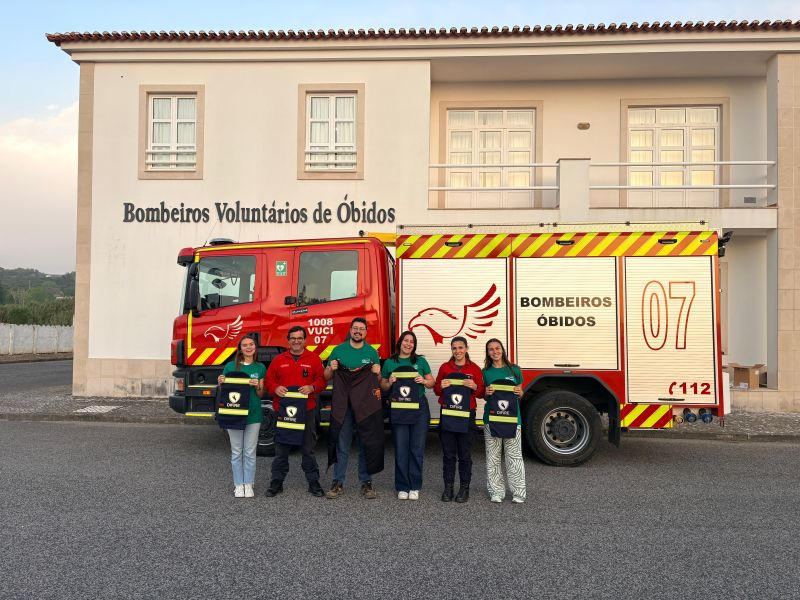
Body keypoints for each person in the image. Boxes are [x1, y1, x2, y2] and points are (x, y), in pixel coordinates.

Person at [264, 326, 327, 498]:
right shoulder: (278, 360)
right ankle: (276, 482)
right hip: (283, 410)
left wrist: (312, 387)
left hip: (306, 410)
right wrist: (275, 388)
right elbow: (269, 380)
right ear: (288, 340)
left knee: (308, 449)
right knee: (281, 449)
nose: (296, 341)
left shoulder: (314, 359)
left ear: (305, 340)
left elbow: (322, 380)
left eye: (299, 338)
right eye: (293, 338)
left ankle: (313, 482)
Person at [324, 317, 383, 500]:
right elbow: (326, 376)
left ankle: (366, 483)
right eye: (355, 328)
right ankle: (338, 482)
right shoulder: (338, 350)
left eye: (361, 329)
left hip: (365, 405)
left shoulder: (371, 352)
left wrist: (377, 372)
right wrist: (331, 368)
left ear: (366, 332)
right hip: (344, 406)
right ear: (350, 330)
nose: (358, 331)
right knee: (342, 445)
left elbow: (378, 381)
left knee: (366, 443)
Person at [380, 330, 435, 500]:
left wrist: (423, 381)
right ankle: (402, 486)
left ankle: (415, 485)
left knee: (417, 448)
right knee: (401, 447)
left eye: (411, 341)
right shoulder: (390, 362)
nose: (408, 344)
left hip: (419, 407)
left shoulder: (421, 361)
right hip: (399, 408)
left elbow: (432, 383)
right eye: (405, 340)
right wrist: (389, 382)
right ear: (400, 343)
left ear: (414, 345)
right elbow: (382, 386)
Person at [433, 336, 484, 503]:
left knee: (465, 454)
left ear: (466, 349)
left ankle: (464, 488)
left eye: (461, 348)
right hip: (448, 414)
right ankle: (448, 488)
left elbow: (481, 392)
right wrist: (441, 386)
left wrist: (475, 387)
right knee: (448, 454)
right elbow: (436, 390)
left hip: (467, 416)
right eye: (454, 348)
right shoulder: (445, 367)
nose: (458, 351)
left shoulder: (475, 369)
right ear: (452, 350)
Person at [217, 334, 265, 498]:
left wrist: (258, 384)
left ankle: (249, 483)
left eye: (251, 344)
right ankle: (238, 484)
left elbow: (260, 394)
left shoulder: (260, 368)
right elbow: (225, 392)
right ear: (240, 349)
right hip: (234, 414)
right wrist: (221, 382)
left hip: (253, 414)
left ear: (255, 347)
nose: (249, 347)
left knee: (250, 452)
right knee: (237, 451)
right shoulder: (230, 367)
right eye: (245, 345)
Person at [482, 338, 527, 503]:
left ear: (502, 349)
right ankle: (496, 492)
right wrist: (487, 392)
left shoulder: (515, 370)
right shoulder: (485, 372)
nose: (495, 352)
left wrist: (518, 392)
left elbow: (521, 393)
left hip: (513, 419)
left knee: (514, 456)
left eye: (497, 348)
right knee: (493, 457)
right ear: (488, 353)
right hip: (492, 419)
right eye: (491, 349)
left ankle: (518, 492)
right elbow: (484, 396)